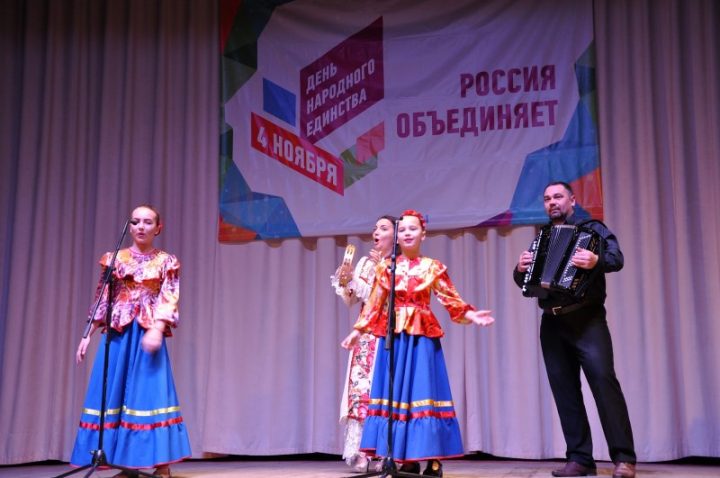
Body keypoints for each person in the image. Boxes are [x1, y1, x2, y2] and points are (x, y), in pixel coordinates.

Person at [342, 210, 494, 477]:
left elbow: (450, 298)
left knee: (423, 393)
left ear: (423, 234)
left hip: (421, 337)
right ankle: (406, 459)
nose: (407, 233)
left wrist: (470, 315)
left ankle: (433, 459)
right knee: (395, 396)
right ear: (397, 237)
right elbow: (375, 303)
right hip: (394, 338)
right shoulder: (386, 268)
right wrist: (358, 331)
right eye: (402, 230)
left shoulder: (432, 267)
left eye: (413, 229)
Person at [514, 182, 636, 478]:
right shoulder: (542, 237)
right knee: (565, 391)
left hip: (587, 320)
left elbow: (616, 259)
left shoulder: (593, 229)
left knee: (604, 385)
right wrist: (520, 269)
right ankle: (580, 459)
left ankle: (624, 458)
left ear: (572, 200)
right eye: (547, 199)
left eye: (558, 197)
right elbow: (527, 284)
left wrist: (596, 261)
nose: (552, 202)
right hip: (552, 323)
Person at [70, 205, 191, 478]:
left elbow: (169, 297)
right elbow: (102, 298)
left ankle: (162, 464)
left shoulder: (166, 261)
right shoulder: (115, 259)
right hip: (118, 333)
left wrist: (157, 329)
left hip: (146, 331)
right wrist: (87, 334)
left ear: (158, 228)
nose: (140, 227)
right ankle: (125, 464)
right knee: (114, 395)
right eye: (135, 222)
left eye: (147, 222)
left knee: (149, 395)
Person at [332, 215, 397, 472]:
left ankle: (387, 450)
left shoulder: (401, 264)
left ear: (395, 234)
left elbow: (390, 299)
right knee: (361, 390)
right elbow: (352, 299)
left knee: (387, 391)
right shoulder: (365, 263)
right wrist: (347, 279)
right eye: (375, 228)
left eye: (383, 228)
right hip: (367, 334)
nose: (376, 232)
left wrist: (382, 270)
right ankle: (361, 450)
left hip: (392, 334)